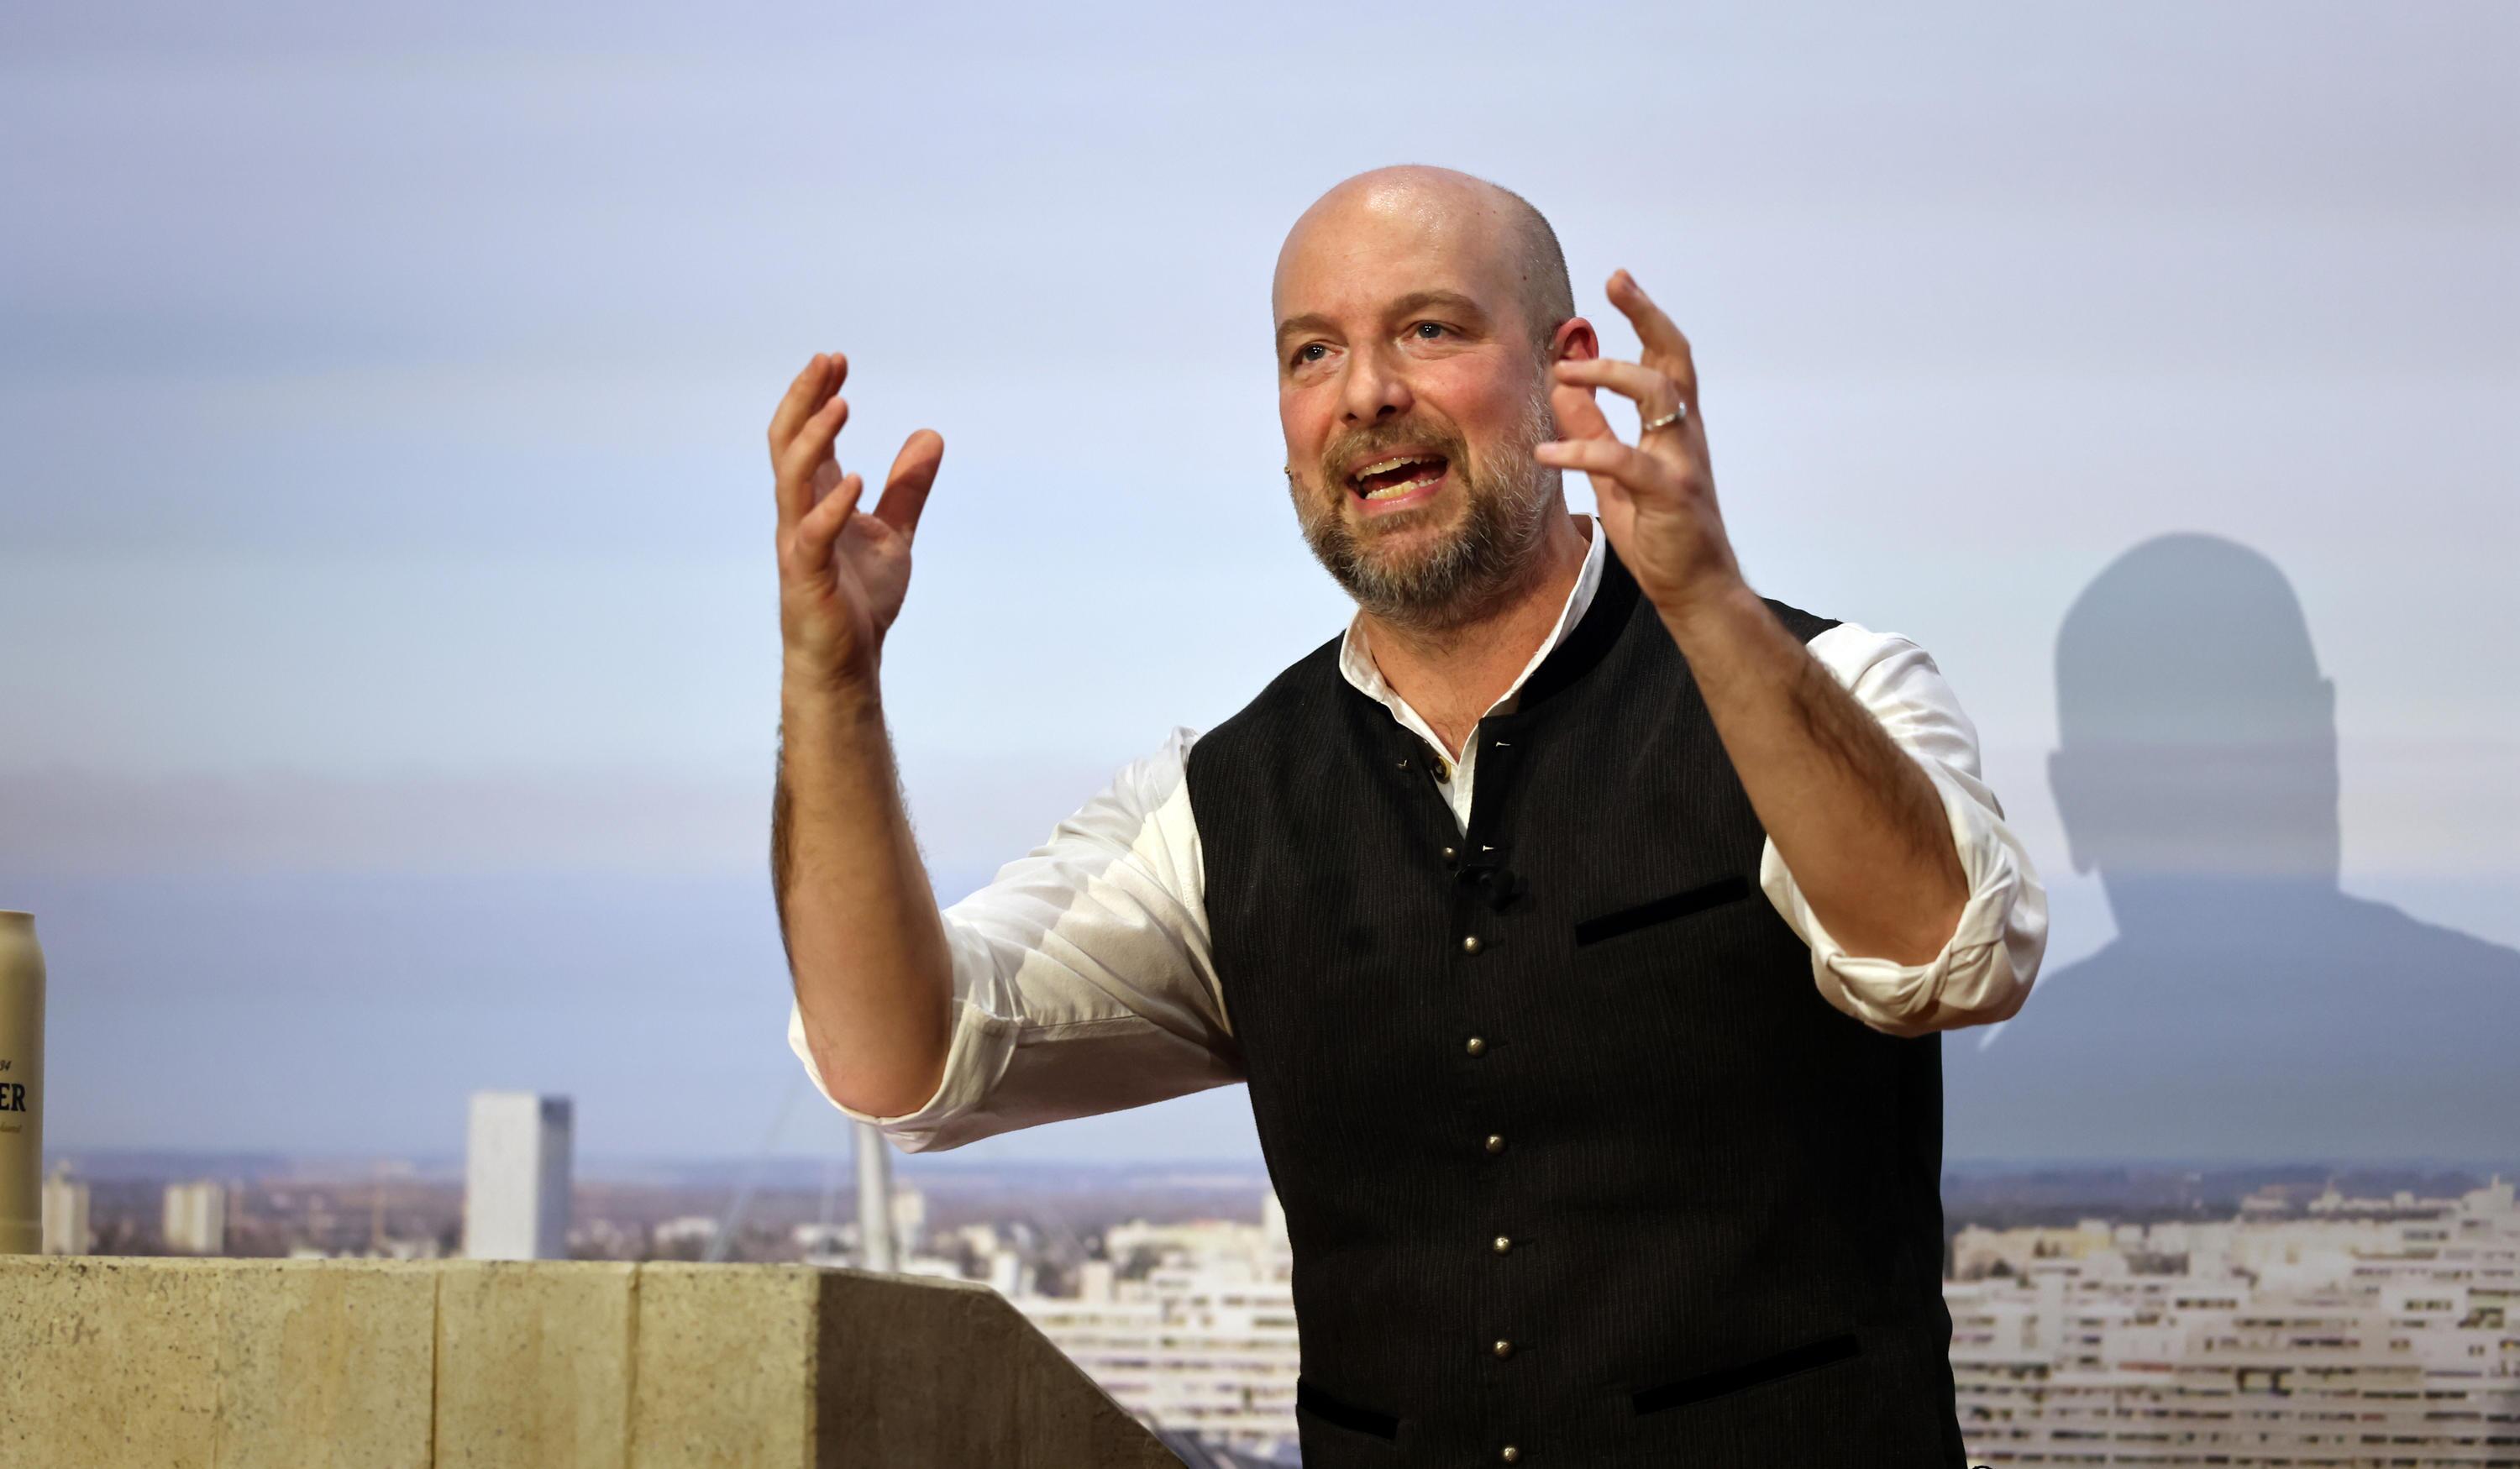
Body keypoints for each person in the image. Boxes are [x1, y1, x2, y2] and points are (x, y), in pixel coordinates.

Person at [767, 165, 2047, 1467]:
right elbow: (896, 1059)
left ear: (1568, 370)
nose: (1367, 392)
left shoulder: (1834, 686)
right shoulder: (1222, 802)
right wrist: (832, 681)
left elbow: (1951, 955)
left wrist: (1706, 603)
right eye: (1312, 352)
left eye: (1429, 330)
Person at [1945, 533, 2520, 1164]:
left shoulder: (2008, 1090)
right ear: (2076, 798)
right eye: (2165, 766)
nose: (2214, 797)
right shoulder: (2494, 1009)